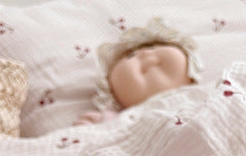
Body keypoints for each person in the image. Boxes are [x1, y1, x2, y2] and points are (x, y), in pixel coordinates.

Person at [73, 17, 201, 125]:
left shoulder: (205, 99)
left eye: (152, 47)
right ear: (115, 96)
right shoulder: (120, 121)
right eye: (130, 56)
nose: (144, 53)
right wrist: (95, 125)